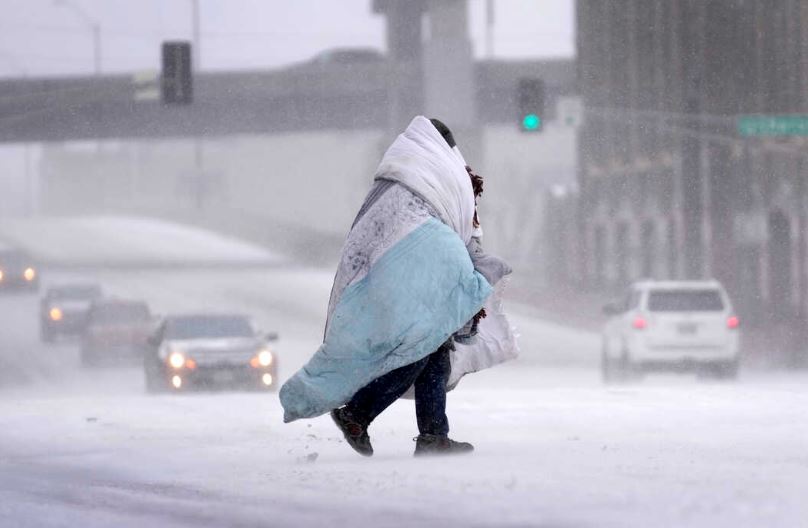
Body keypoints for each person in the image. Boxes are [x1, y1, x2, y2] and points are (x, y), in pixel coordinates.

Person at [279, 116, 514, 457]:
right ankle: (357, 413)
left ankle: (433, 434)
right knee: (420, 346)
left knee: (433, 349)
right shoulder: (434, 175)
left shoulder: (399, 179)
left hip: (391, 276)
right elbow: (449, 225)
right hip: (409, 275)